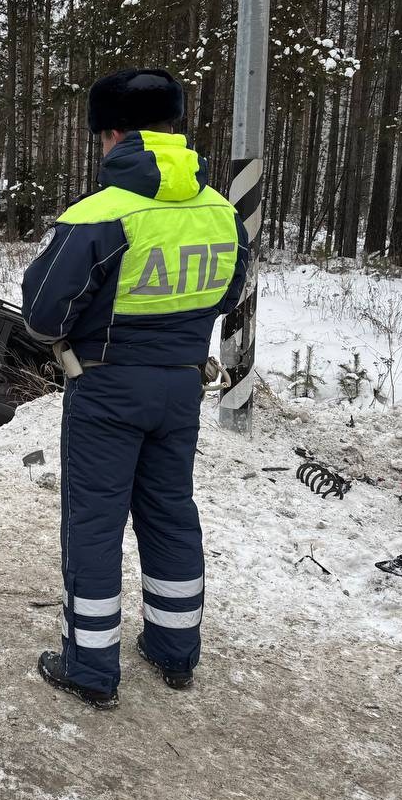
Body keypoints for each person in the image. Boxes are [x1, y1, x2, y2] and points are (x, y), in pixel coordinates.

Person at [21, 68, 249, 709]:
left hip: (105, 388)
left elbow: (42, 315)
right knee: (171, 513)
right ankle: (175, 651)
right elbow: (228, 294)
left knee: (94, 523)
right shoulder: (221, 212)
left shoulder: (100, 214)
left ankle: (90, 667)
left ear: (111, 134)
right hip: (181, 387)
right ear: (173, 128)